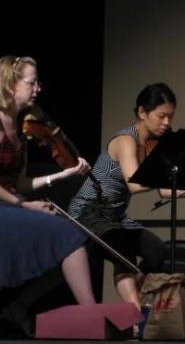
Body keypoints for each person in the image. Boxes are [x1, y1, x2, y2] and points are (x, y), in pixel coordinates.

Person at [0, 55, 97, 337]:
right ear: (10, 85)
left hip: (6, 203)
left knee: (74, 234)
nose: (38, 87)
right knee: (64, 234)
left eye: (37, 81)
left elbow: (22, 182)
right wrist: (25, 207)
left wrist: (64, 174)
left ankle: (20, 306)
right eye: (32, 81)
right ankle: (92, 318)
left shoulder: (21, 128)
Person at [67, 83, 176, 308]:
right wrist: (164, 177)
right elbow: (135, 184)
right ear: (142, 113)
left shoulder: (154, 143)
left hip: (114, 214)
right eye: (161, 116)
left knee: (157, 250)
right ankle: (136, 316)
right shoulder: (127, 140)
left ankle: (136, 302)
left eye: (171, 117)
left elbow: (165, 190)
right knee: (124, 253)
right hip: (89, 210)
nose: (167, 123)